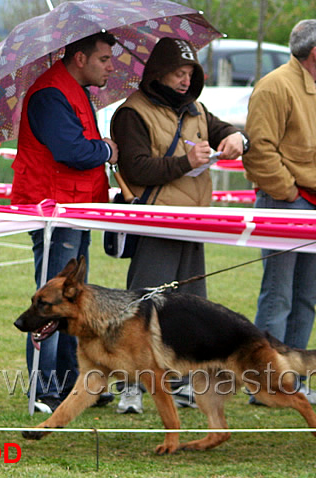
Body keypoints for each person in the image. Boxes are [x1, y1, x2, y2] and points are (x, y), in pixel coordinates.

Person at [110, 37, 248, 414]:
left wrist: (237, 137)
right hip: (155, 222)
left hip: (194, 221)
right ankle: (131, 387)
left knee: (193, 310)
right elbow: (135, 167)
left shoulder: (196, 109)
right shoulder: (131, 112)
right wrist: (186, 162)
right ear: (158, 73)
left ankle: (183, 383)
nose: (186, 81)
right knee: (142, 309)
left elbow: (223, 130)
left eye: (190, 73)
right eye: (178, 73)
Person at [10, 32, 119, 413]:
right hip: (54, 210)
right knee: (51, 301)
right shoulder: (50, 94)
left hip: (74, 207)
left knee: (74, 301)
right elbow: (72, 151)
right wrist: (105, 149)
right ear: (79, 58)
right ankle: (44, 390)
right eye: (104, 59)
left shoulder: (70, 90)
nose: (111, 66)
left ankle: (74, 383)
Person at [242, 18, 316, 406]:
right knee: (278, 296)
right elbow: (259, 149)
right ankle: (265, 381)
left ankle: (293, 379)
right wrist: (288, 193)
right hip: (287, 203)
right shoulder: (274, 86)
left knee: (305, 296)